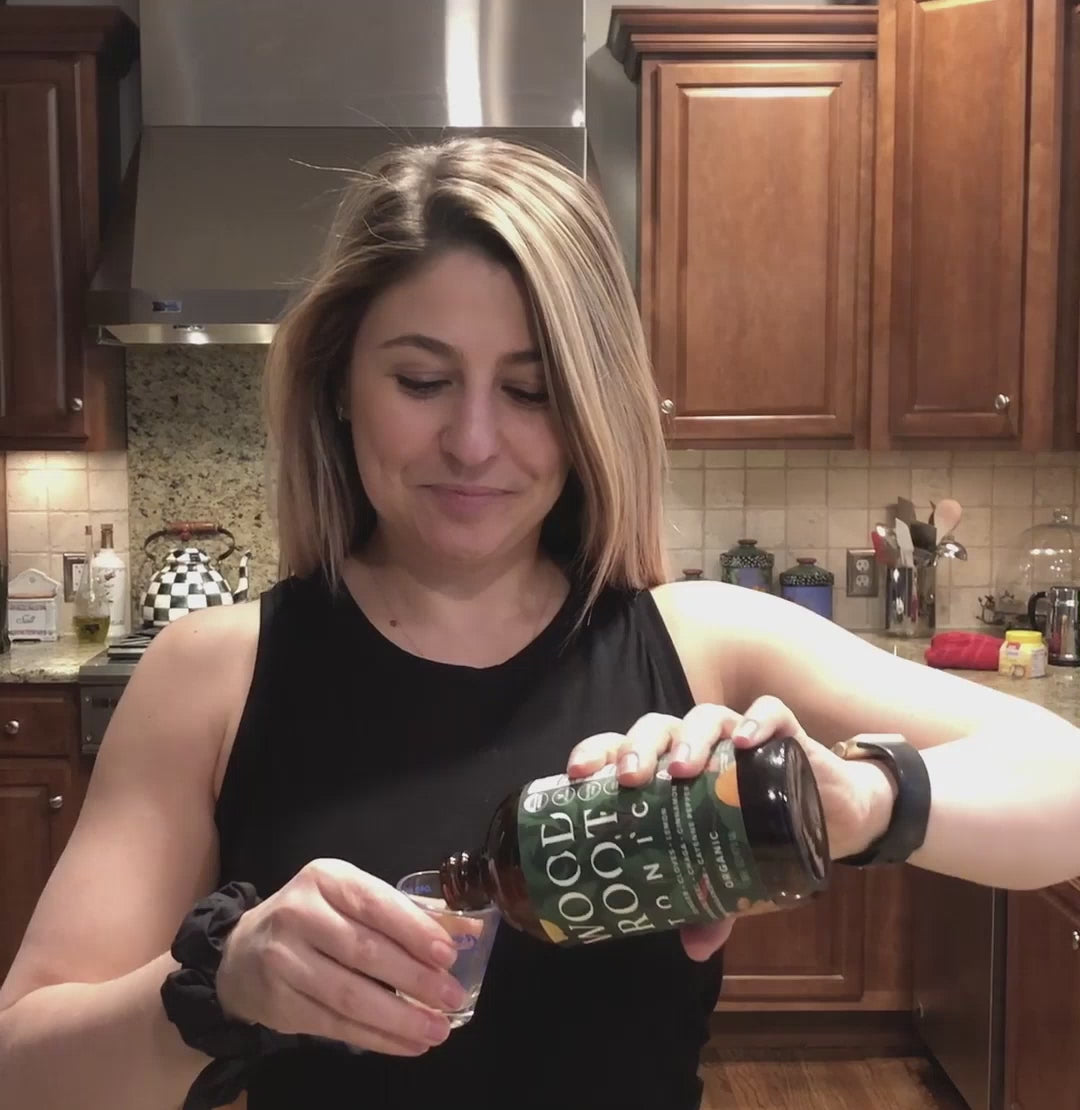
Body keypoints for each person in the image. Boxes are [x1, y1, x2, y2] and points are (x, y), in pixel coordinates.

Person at [1, 136, 1079, 1110]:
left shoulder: (703, 642)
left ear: (592, 407)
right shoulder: (213, 676)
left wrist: (852, 800)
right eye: (422, 379)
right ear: (337, 385)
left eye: (531, 390)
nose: (474, 443)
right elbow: (26, 1068)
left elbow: (1062, 783)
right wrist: (221, 985)